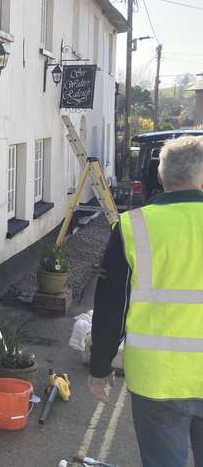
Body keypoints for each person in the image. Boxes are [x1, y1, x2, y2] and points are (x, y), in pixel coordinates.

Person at [89, 136, 203, 467]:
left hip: (157, 378)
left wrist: (100, 368)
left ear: (160, 177)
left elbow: (112, 306)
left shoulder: (133, 225)